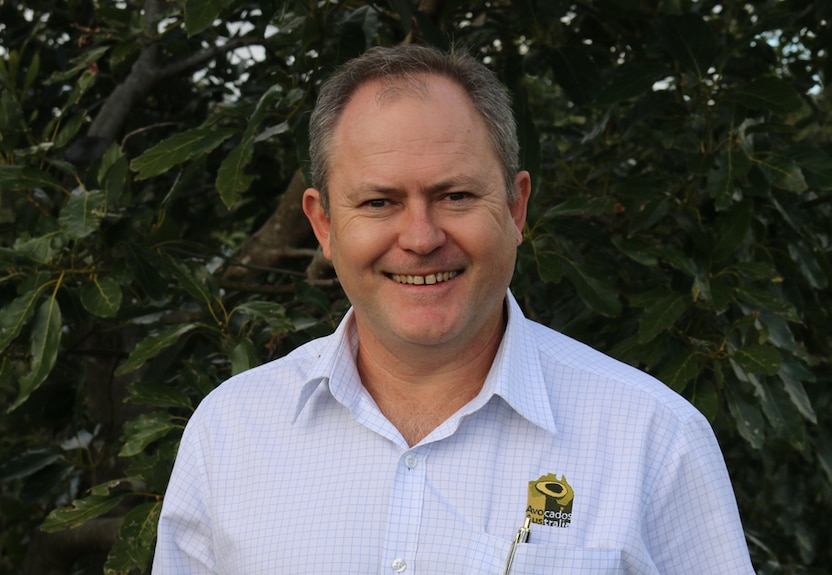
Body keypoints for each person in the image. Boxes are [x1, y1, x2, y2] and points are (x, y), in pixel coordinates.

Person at [153, 44, 755, 574]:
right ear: (324, 224)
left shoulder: (654, 439)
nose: (421, 238)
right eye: (379, 202)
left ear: (516, 209)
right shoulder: (229, 431)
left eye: (456, 195)